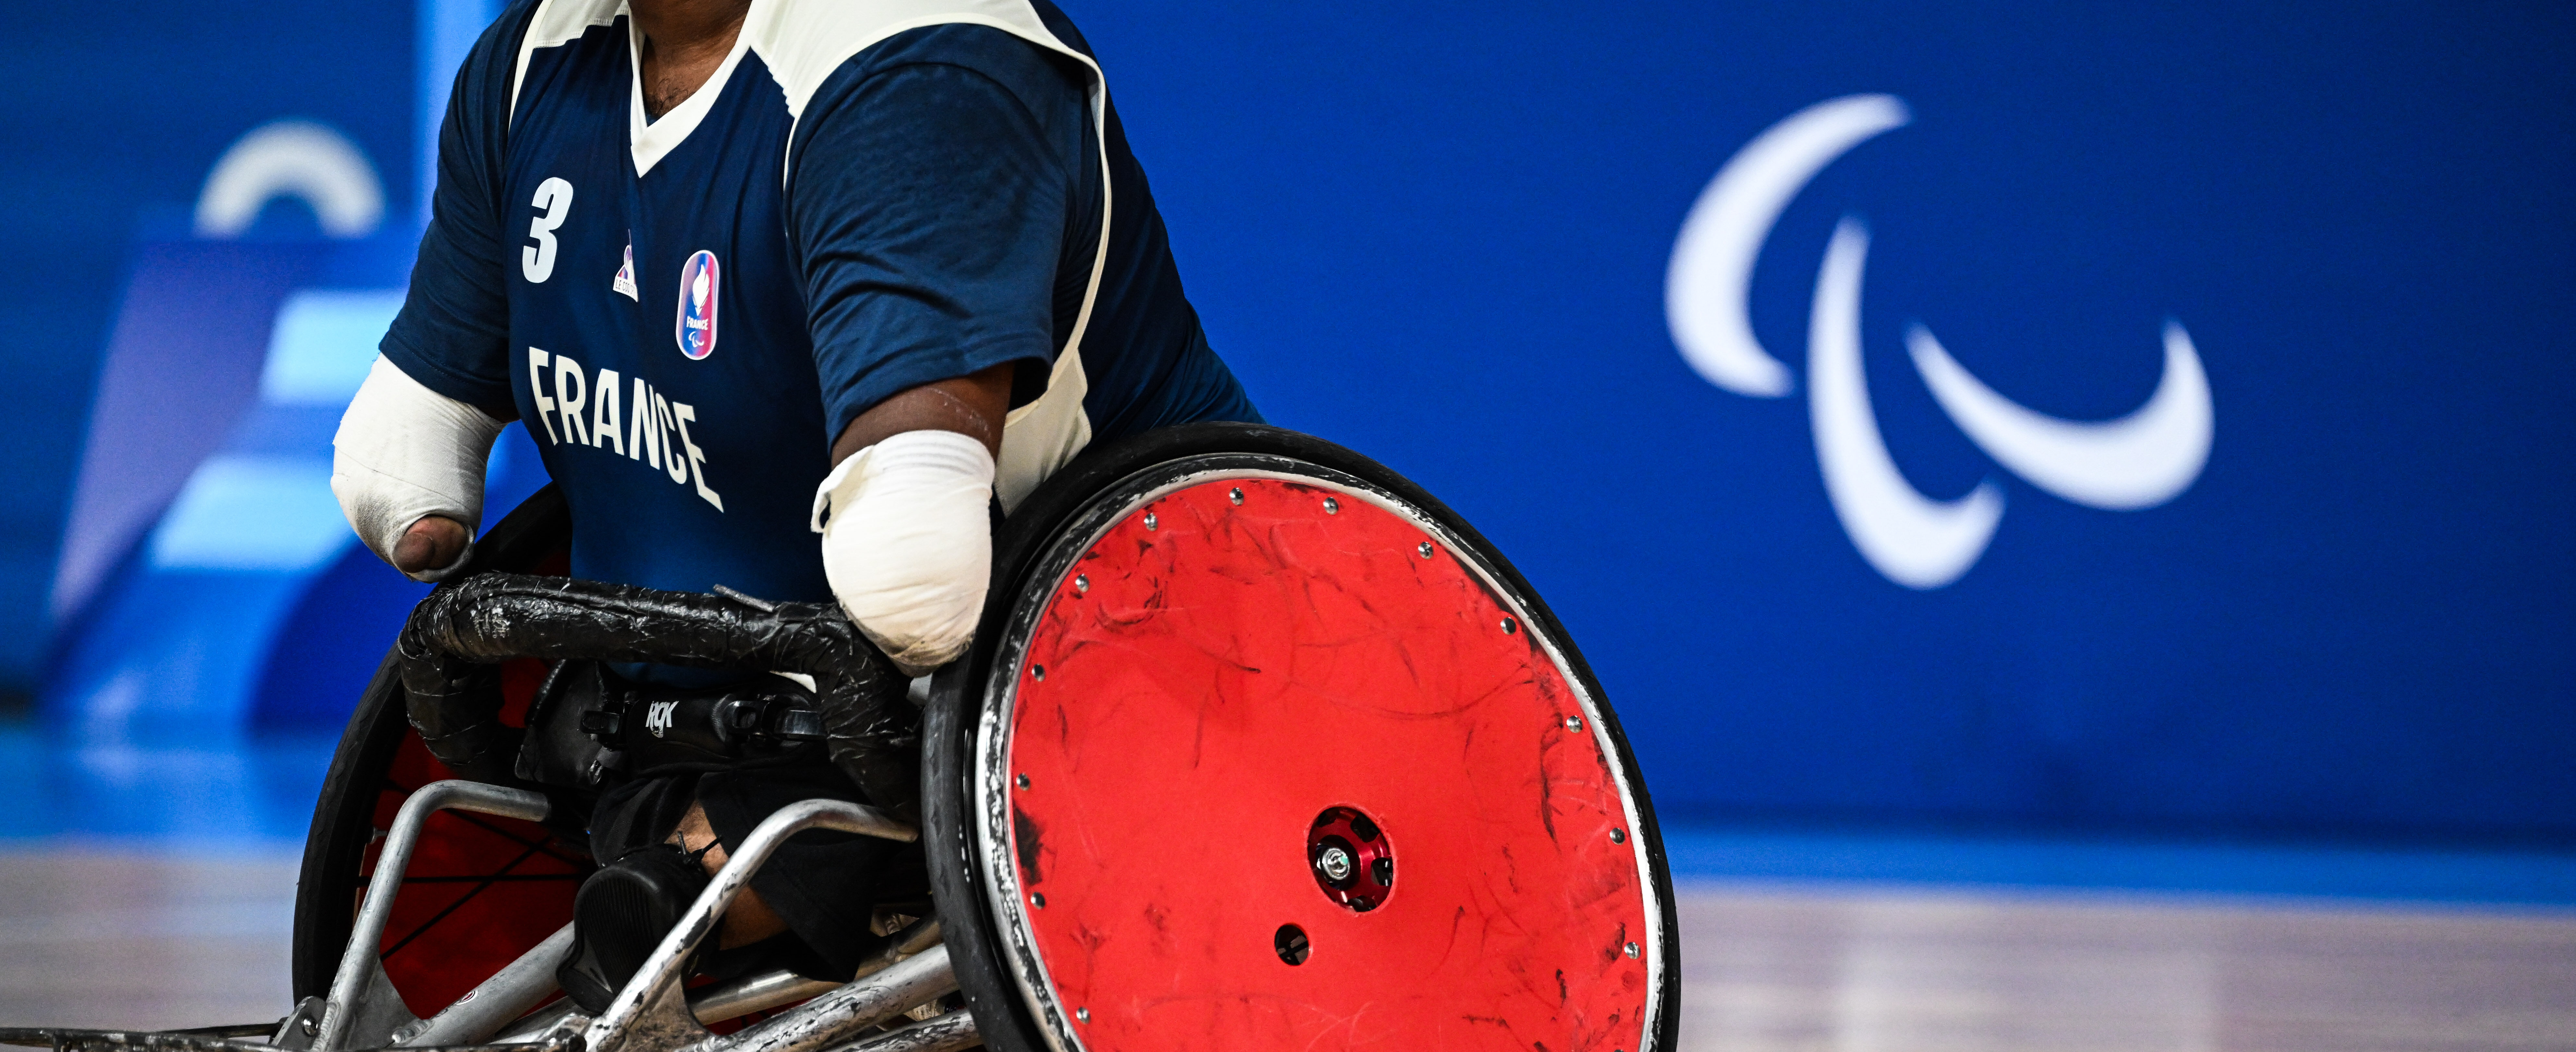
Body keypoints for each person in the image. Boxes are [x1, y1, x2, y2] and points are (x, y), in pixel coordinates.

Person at [330, 0, 1260, 1009]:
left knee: (902, 571)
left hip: (1119, 683)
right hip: (694, 710)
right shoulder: (530, 63)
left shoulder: (923, 67)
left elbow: (920, 580)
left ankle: (720, 881)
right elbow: (400, 480)